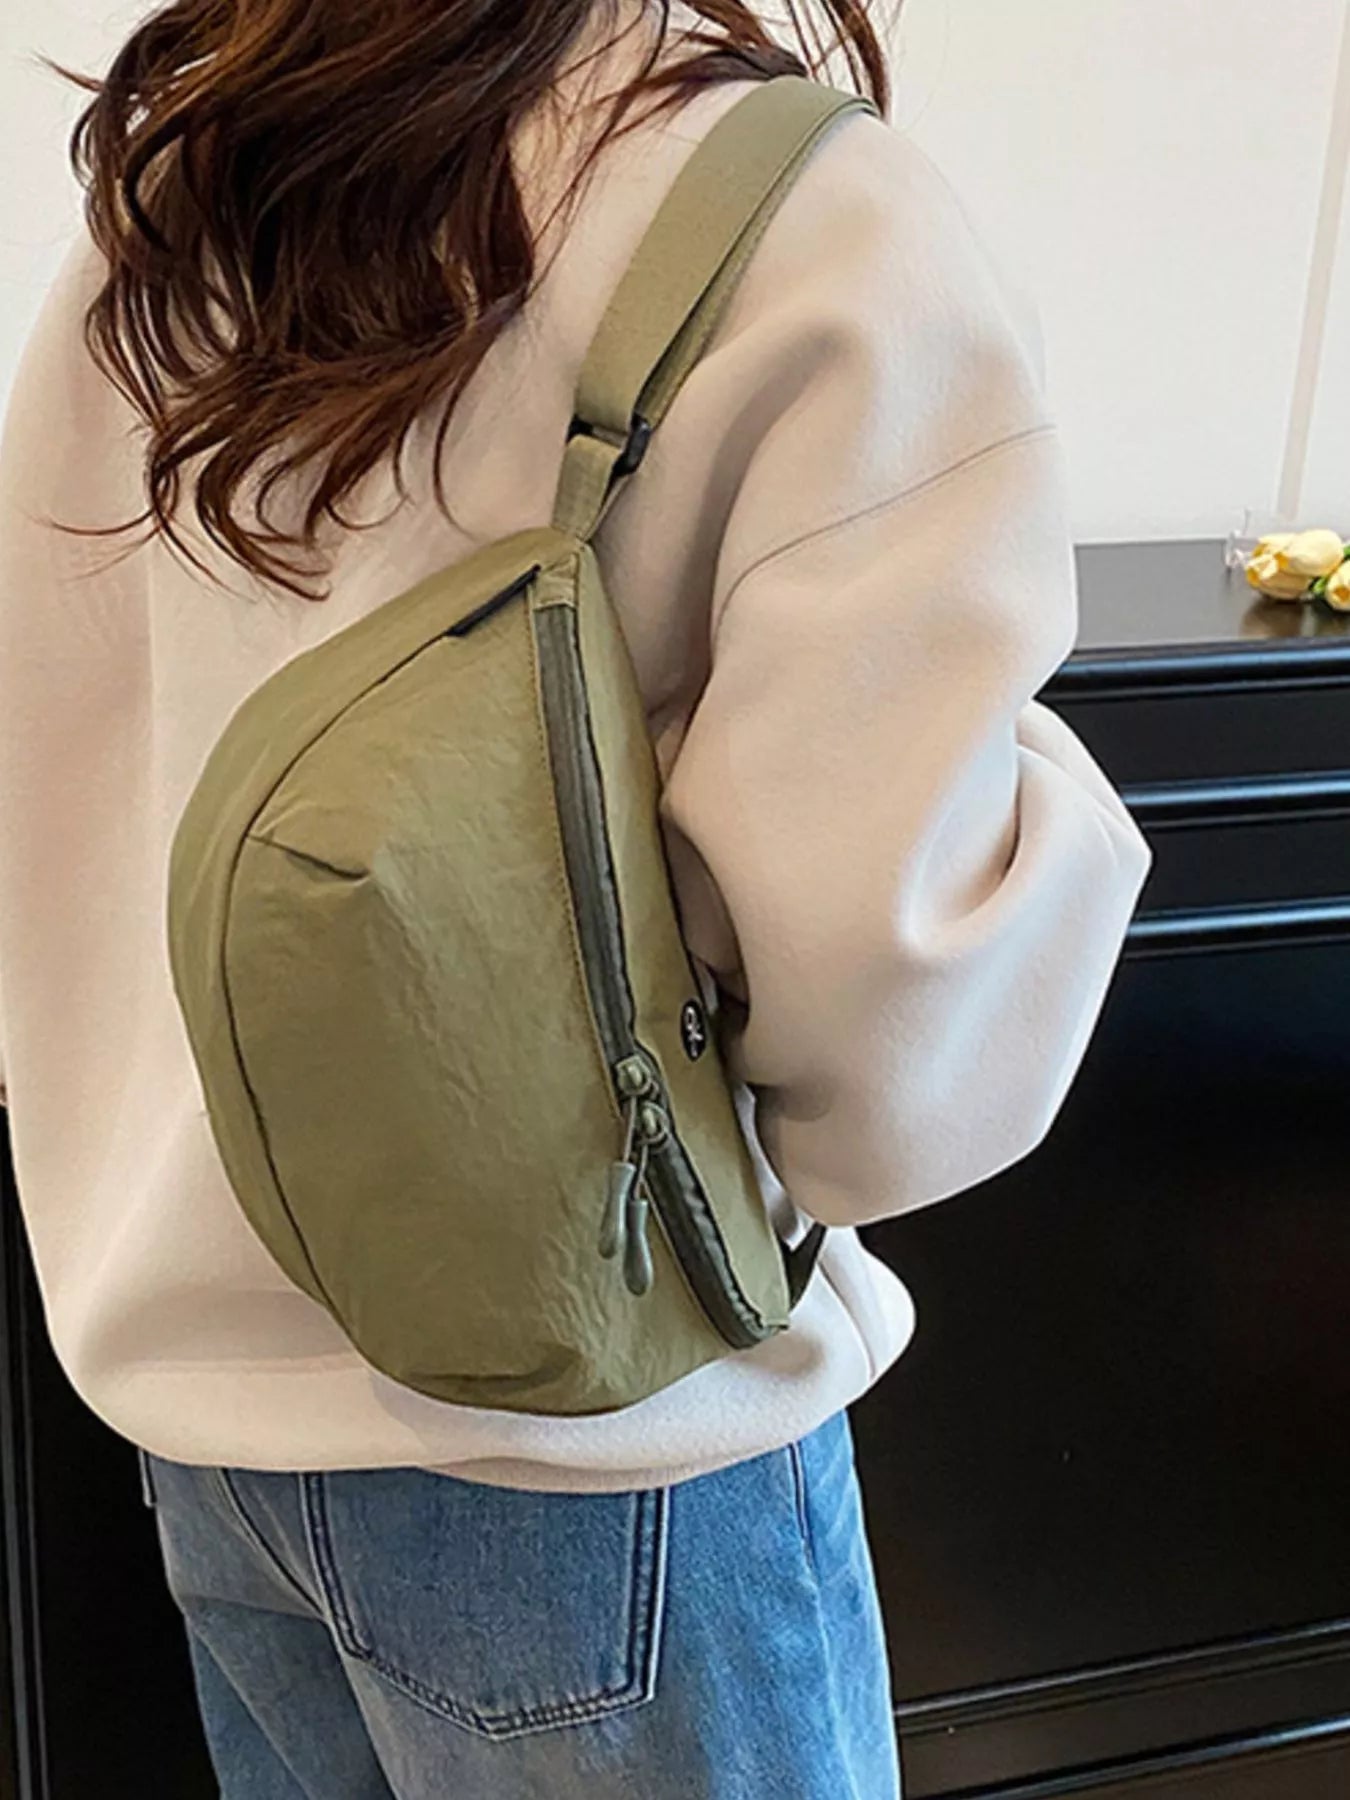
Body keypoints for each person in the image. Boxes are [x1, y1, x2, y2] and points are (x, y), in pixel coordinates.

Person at [0, 1, 1152, 1795]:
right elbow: (893, 1061)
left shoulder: (194, 174)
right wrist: (1068, 819)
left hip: (203, 1413)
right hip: (599, 1439)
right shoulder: (803, 220)